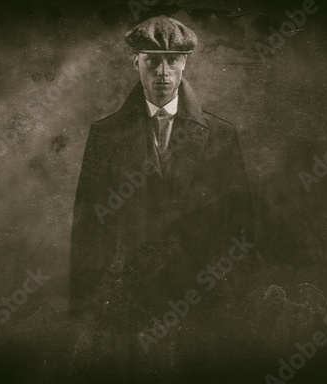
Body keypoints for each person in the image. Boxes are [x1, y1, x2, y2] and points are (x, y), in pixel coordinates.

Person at [69, 15, 255, 337]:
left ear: (184, 62)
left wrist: (235, 303)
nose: (163, 72)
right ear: (135, 62)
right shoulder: (106, 136)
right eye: (152, 61)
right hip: (128, 305)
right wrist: (85, 311)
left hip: (203, 303)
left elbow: (239, 226)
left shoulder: (222, 136)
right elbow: (89, 231)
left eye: (172, 60)